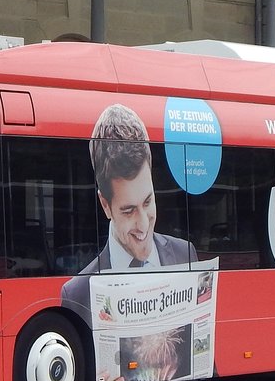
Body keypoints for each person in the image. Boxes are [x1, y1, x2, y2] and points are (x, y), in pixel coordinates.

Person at [61, 103, 196, 312]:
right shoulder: (78, 293)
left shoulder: (185, 254)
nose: (143, 224)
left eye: (148, 201)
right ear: (105, 205)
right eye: (129, 210)